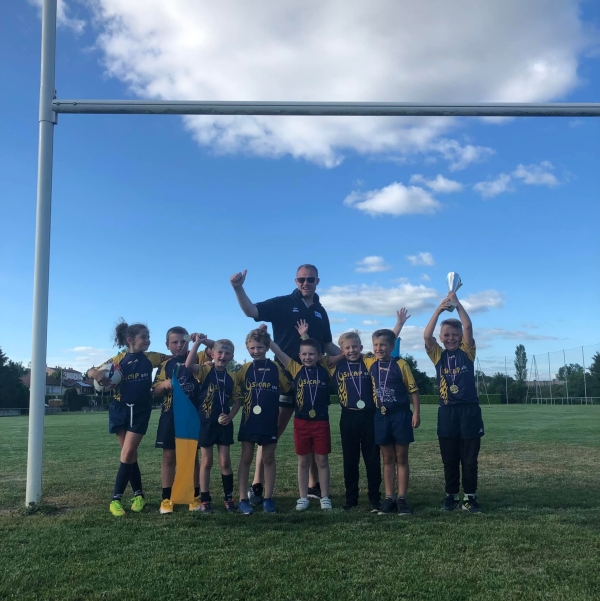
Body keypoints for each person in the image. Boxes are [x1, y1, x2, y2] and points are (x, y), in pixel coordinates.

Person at [230, 264, 340, 504]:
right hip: (281, 379)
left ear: (317, 281)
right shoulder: (282, 303)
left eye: (310, 279)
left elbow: (327, 345)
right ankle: (257, 485)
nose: (305, 283)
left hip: (311, 383)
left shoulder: (321, 311)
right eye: (301, 279)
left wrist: (353, 357)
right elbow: (251, 311)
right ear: (295, 280)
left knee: (311, 431)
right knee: (270, 435)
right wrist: (238, 288)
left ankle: (313, 486)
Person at [87, 320, 169, 517]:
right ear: (131, 340)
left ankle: (115, 499)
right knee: (129, 454)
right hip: (118, 409)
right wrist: (97, 374)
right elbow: (90, 372)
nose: (148, 341)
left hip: (140, 410)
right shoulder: (118, 359)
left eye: (149, 337)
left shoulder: (151, 358)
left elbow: (175, 357)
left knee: (128, 453)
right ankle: (139, 495)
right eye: (144, 338)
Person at [424, 291, 484, 514]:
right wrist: (439, 310)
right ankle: (450, 496)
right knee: (449, 459)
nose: (451, 338)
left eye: (454, 334)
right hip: (447, 412)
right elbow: (426, 336)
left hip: (469, 411)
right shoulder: (438, 355)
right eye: (446, 335)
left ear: (460, 337)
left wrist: (457, 304)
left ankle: (470, 498)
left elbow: (468, 327)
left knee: (469, 460)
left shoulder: (467, 352)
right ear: (441, 338)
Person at [269, 330, 333, 511]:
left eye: (311, 354)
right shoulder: (296, 369)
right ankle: (303, 497)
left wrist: (305, 336)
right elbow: (280, 353)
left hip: (321, 422)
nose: (307, 357)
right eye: (304, 354)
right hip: (301, 422)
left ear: (319, 356)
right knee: (303, 461)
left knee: (322, 460)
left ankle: (325, 496)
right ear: (299, 356)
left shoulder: (325, 370)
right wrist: (268, 339)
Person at [152, 327, 214, 514]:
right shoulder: (165, 365)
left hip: (192, 417)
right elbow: (154, 392)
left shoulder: (198, 356)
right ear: (167, 345)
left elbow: (218, 348)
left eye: (183, 341)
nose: (179, 345)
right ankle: (166, 498)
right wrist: (163, 385)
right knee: (169, 457)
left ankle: (193, 497)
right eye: (174, 342)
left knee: (191, 457)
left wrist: (201, 340)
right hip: (169, 415)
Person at [362, 326, 421, 516]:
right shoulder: (370, 361)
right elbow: (347, 350)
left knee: (401, 458)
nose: (379, 348)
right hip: (381, 415)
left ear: (392, 346)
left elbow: (413, 390)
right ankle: (389, 498)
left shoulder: (401, 364)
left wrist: (416, 413)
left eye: (383, 345)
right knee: (387, 458)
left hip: (401, 415)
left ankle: (402, 498)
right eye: (376, 345)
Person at [236, 328, 292, 514]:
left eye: (259, 347)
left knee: (268, 458)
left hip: (269, 419)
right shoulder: (245, 369)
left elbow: (287, 387)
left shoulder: (275, 368)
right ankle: (243, 498)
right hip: (249, 419)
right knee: (246, 458)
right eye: (251, 348)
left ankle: (268, 498)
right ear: (246, 348)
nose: (256, 351)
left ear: (267, 347)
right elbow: (233, 385)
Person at [185, 335, 240, 513]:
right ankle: (205, 500)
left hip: (224, 424)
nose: (223, 356)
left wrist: (230, 416)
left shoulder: (233, 376)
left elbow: (238, 401)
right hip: (206, 422)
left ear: (231, 356)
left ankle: (228, 499)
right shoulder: (205, 370)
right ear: (213, 354)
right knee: (206, 462)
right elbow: (187, 365)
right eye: (220, 352)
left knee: (225, 462)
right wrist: (197, 343)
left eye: (227, 353)